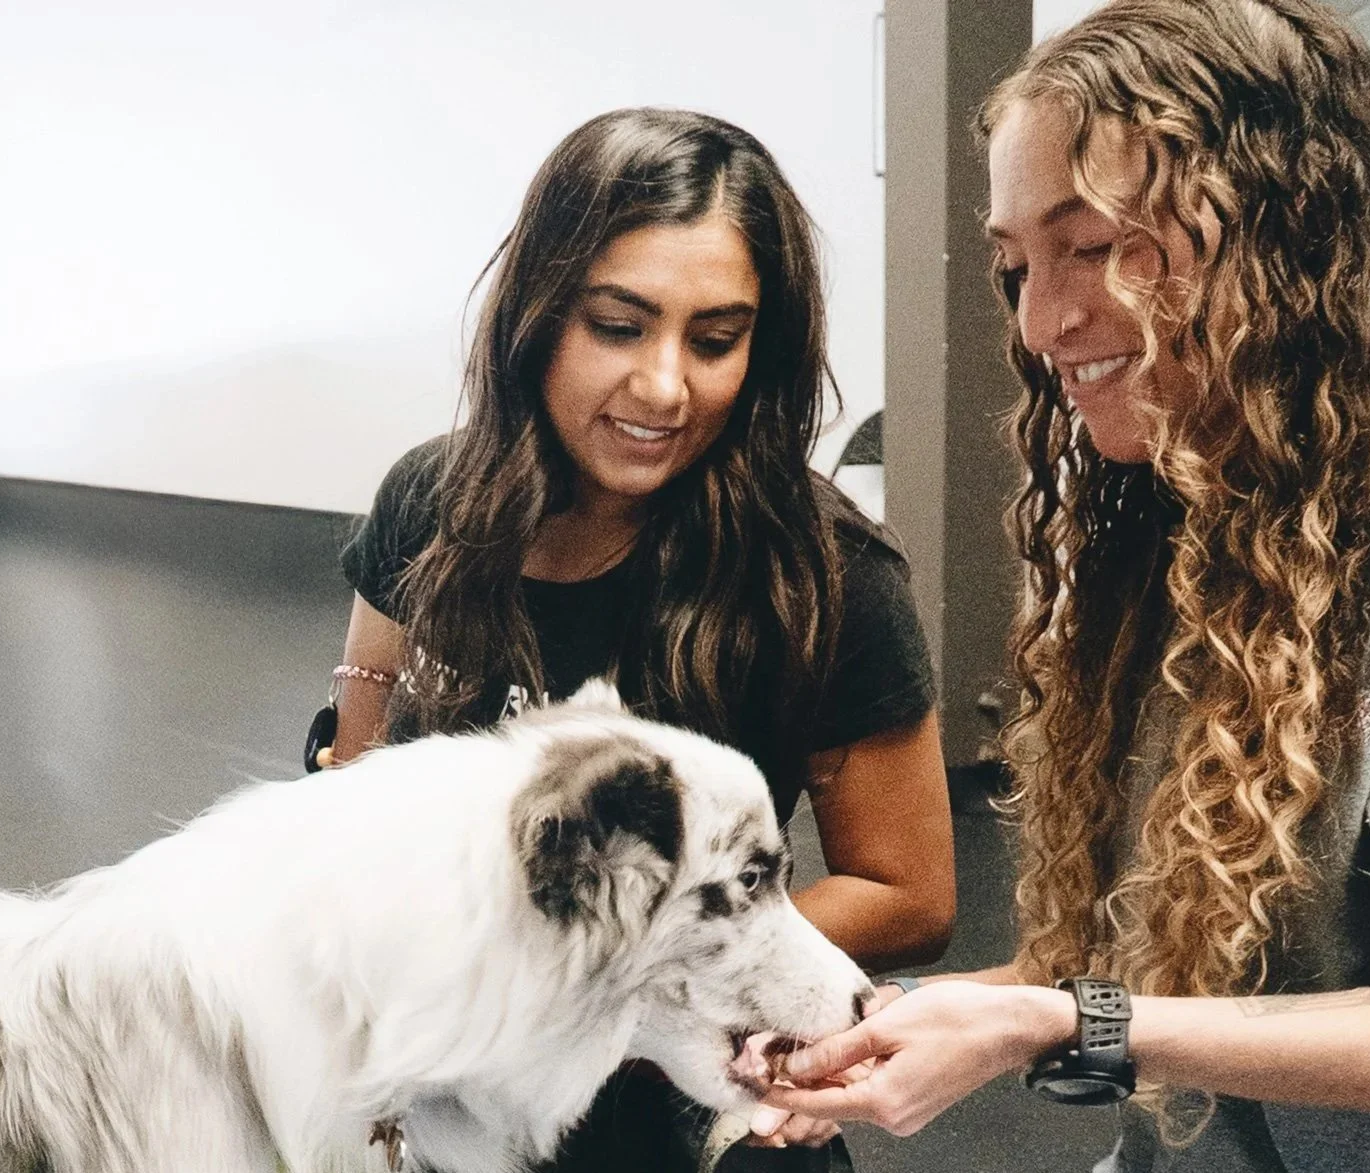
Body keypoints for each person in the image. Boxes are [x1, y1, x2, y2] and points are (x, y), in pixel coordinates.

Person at [762, 2, 1370, 1170]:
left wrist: (1067, 1023)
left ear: (1273, 228)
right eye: (1015, 263)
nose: (1041, 321)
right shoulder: (1172, 523)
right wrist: (883, 1026)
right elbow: (1159, 979)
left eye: (1089, 247)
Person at [323, 107, 955, 1171]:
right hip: (449, 1102)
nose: (666, 387)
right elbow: (358, 753)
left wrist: (654, 973)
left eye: (715, 341)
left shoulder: (827, 572)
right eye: (618, 326)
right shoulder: (428, 497)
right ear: (538, 316)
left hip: (672, 1111)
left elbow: (910, 893)